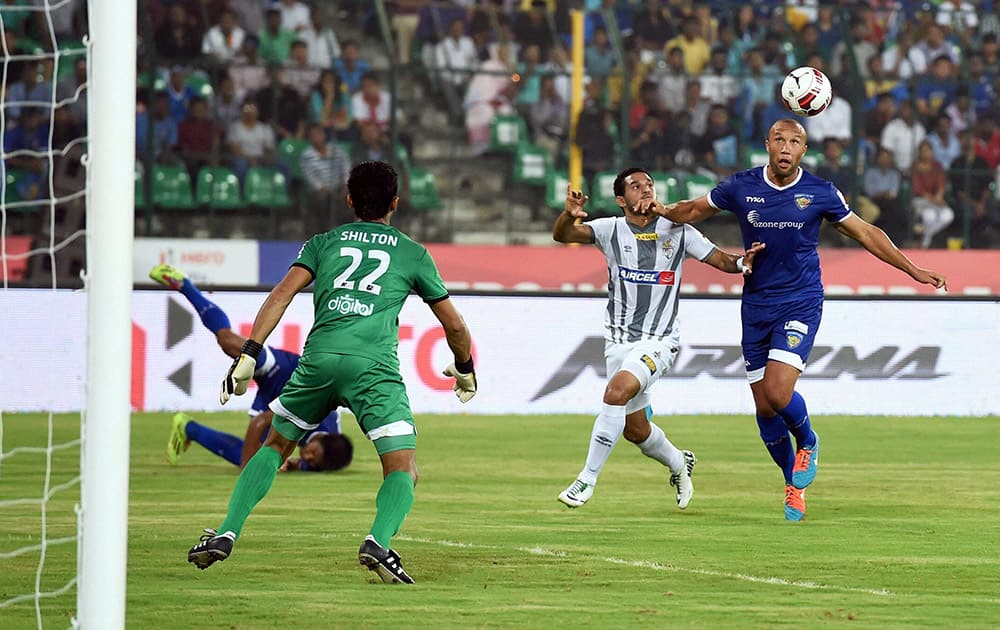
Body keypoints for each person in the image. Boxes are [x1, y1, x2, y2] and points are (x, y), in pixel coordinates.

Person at [186, 161, 478, 584]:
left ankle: (227, 530)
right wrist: (465, 367)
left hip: (319, 360)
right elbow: (453, 325)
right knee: (402, 468)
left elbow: (281, 295)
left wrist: (250, 351)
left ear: (349, 200)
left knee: (275, 446)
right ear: (396, 202)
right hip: (373, 368)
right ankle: (378, 541)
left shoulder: (323, 243)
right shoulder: (413, 253)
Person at [644, 119, 947, 520]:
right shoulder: (741, 186)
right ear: (767, 145)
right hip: (755, 305)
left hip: (800, 301)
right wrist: (664, 211)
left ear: (804, 151)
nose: (787, 147)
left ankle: (808, 440)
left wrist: (914, 270)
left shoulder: (820, 192)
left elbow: (867, 232)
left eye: (796, 141)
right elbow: (695, 209)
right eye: (780, 140)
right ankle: (792, 485)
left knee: (778, 391)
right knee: (765, 410)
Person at [553, 168, 765, 510]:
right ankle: (680, 462)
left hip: (660, 341)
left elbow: (721, 259)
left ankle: (586, 480)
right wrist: (568, 215)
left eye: (649, 184)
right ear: (622, 200)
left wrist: (742, 262)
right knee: (635, 430)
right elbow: (564, 235)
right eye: (636, 186)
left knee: (616, 392)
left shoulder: (678, 230)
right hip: (618, 342)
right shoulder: (610, 229)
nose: (646, 189)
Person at [148, 263, 351, 473]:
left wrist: (293, 464)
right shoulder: (314, 415)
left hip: (278, 400)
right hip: (284, 373)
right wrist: (247, 471)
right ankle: (184, 285)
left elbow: (307, 462)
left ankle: (188, 428)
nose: (308, 456)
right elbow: (260, 423)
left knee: (258, 457)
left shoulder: (327, 453)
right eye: (313, 454)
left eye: (312, 460)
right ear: (323, 441)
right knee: (228, 342)